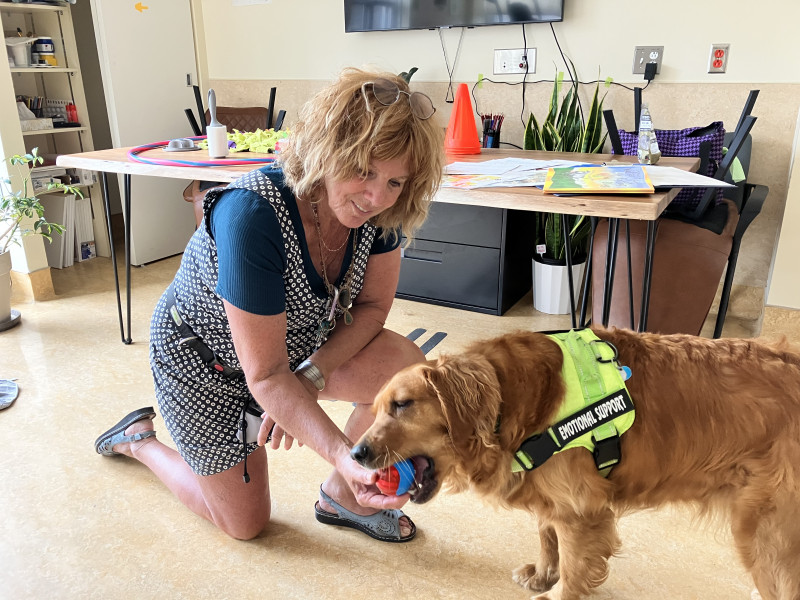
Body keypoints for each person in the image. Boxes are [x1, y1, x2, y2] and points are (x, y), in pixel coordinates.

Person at [94, 67, 445, 542]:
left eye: (395, 182)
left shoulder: (384, 213)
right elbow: (263, 375)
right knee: (244, 525)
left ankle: (342, 497)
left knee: (402, 366)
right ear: (327, 150)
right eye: (363, 170)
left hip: (293, 351)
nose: (375, 197)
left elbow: (371, 310)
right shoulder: (252, 213)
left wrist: (307, 378)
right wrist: (346, 452)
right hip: (203, 362)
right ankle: (139, 442)